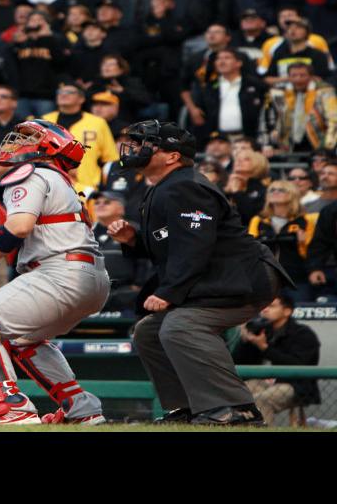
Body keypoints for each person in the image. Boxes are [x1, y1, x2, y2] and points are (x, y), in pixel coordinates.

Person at [108, 120, 292, 425]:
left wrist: (168, 293)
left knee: (180, 325)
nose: (136, 148)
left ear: (171, 156)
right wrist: (133, 240)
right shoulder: (165, 186)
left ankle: (236, 408)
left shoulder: (186, 185)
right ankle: (189, 407)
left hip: (244, 279)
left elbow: (195, 247)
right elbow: (174, 243)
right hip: (217, 279)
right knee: (149, 332)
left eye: (146, 143)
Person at [0, 119, 109, 425]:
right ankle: (82, 409)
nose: (18, 141)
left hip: (58, 272)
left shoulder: (29, 172)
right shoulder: (60, 180)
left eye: (28, 136)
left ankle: (12, 406)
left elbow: (17, 227)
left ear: (50, 145)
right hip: (90, 277)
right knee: (21, 340)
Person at [233, 294, 321, 426]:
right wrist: (245, 341)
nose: (265, 310)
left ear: (287, 311)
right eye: (264, 306)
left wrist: (265, 348)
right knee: (236, 392)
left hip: (295, 385)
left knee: (261, 400)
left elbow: (297, 365)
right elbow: (239, 362)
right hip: (265, 382)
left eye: (272, 306)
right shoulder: (262, 330)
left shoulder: (303, 333)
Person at [247, 181, 318, 302]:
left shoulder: (305, 221)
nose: (275, 192)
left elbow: (312, 252)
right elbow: (251, 249)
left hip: (296, 277)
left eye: (281, 190)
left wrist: (302, 243)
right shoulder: (258, 220)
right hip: (266, 278)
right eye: (272, 190)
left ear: (292, 194)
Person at [90, 190, 150, 313]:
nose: (100, 205)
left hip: (126, 294)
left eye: (107, 202)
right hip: (92, 294)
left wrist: (139, 284)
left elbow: (146, 259)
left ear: (121, 208)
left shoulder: (132, 230)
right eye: (97, 203)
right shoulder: (86, 233)